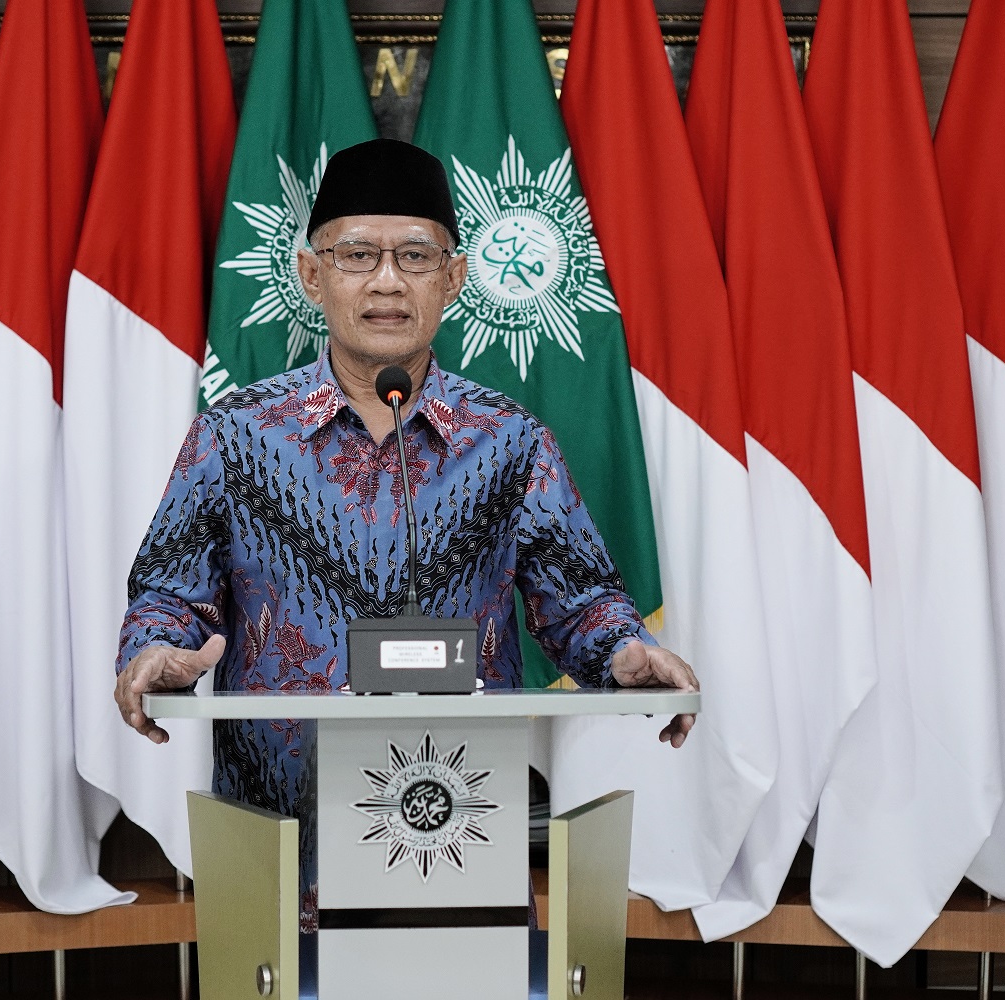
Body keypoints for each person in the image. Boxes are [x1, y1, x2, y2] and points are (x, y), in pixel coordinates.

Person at [113, 138, 698, 925]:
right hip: (276, 856)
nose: (387, 281)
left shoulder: (508, 441)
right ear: (311, 275)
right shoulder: (234, 438)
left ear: (452, 279)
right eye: (357, 255)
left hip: (456, 841)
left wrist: (625, 650)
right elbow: (169, 594)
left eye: (415, 257)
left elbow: (580, 600)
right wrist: (155, 651)